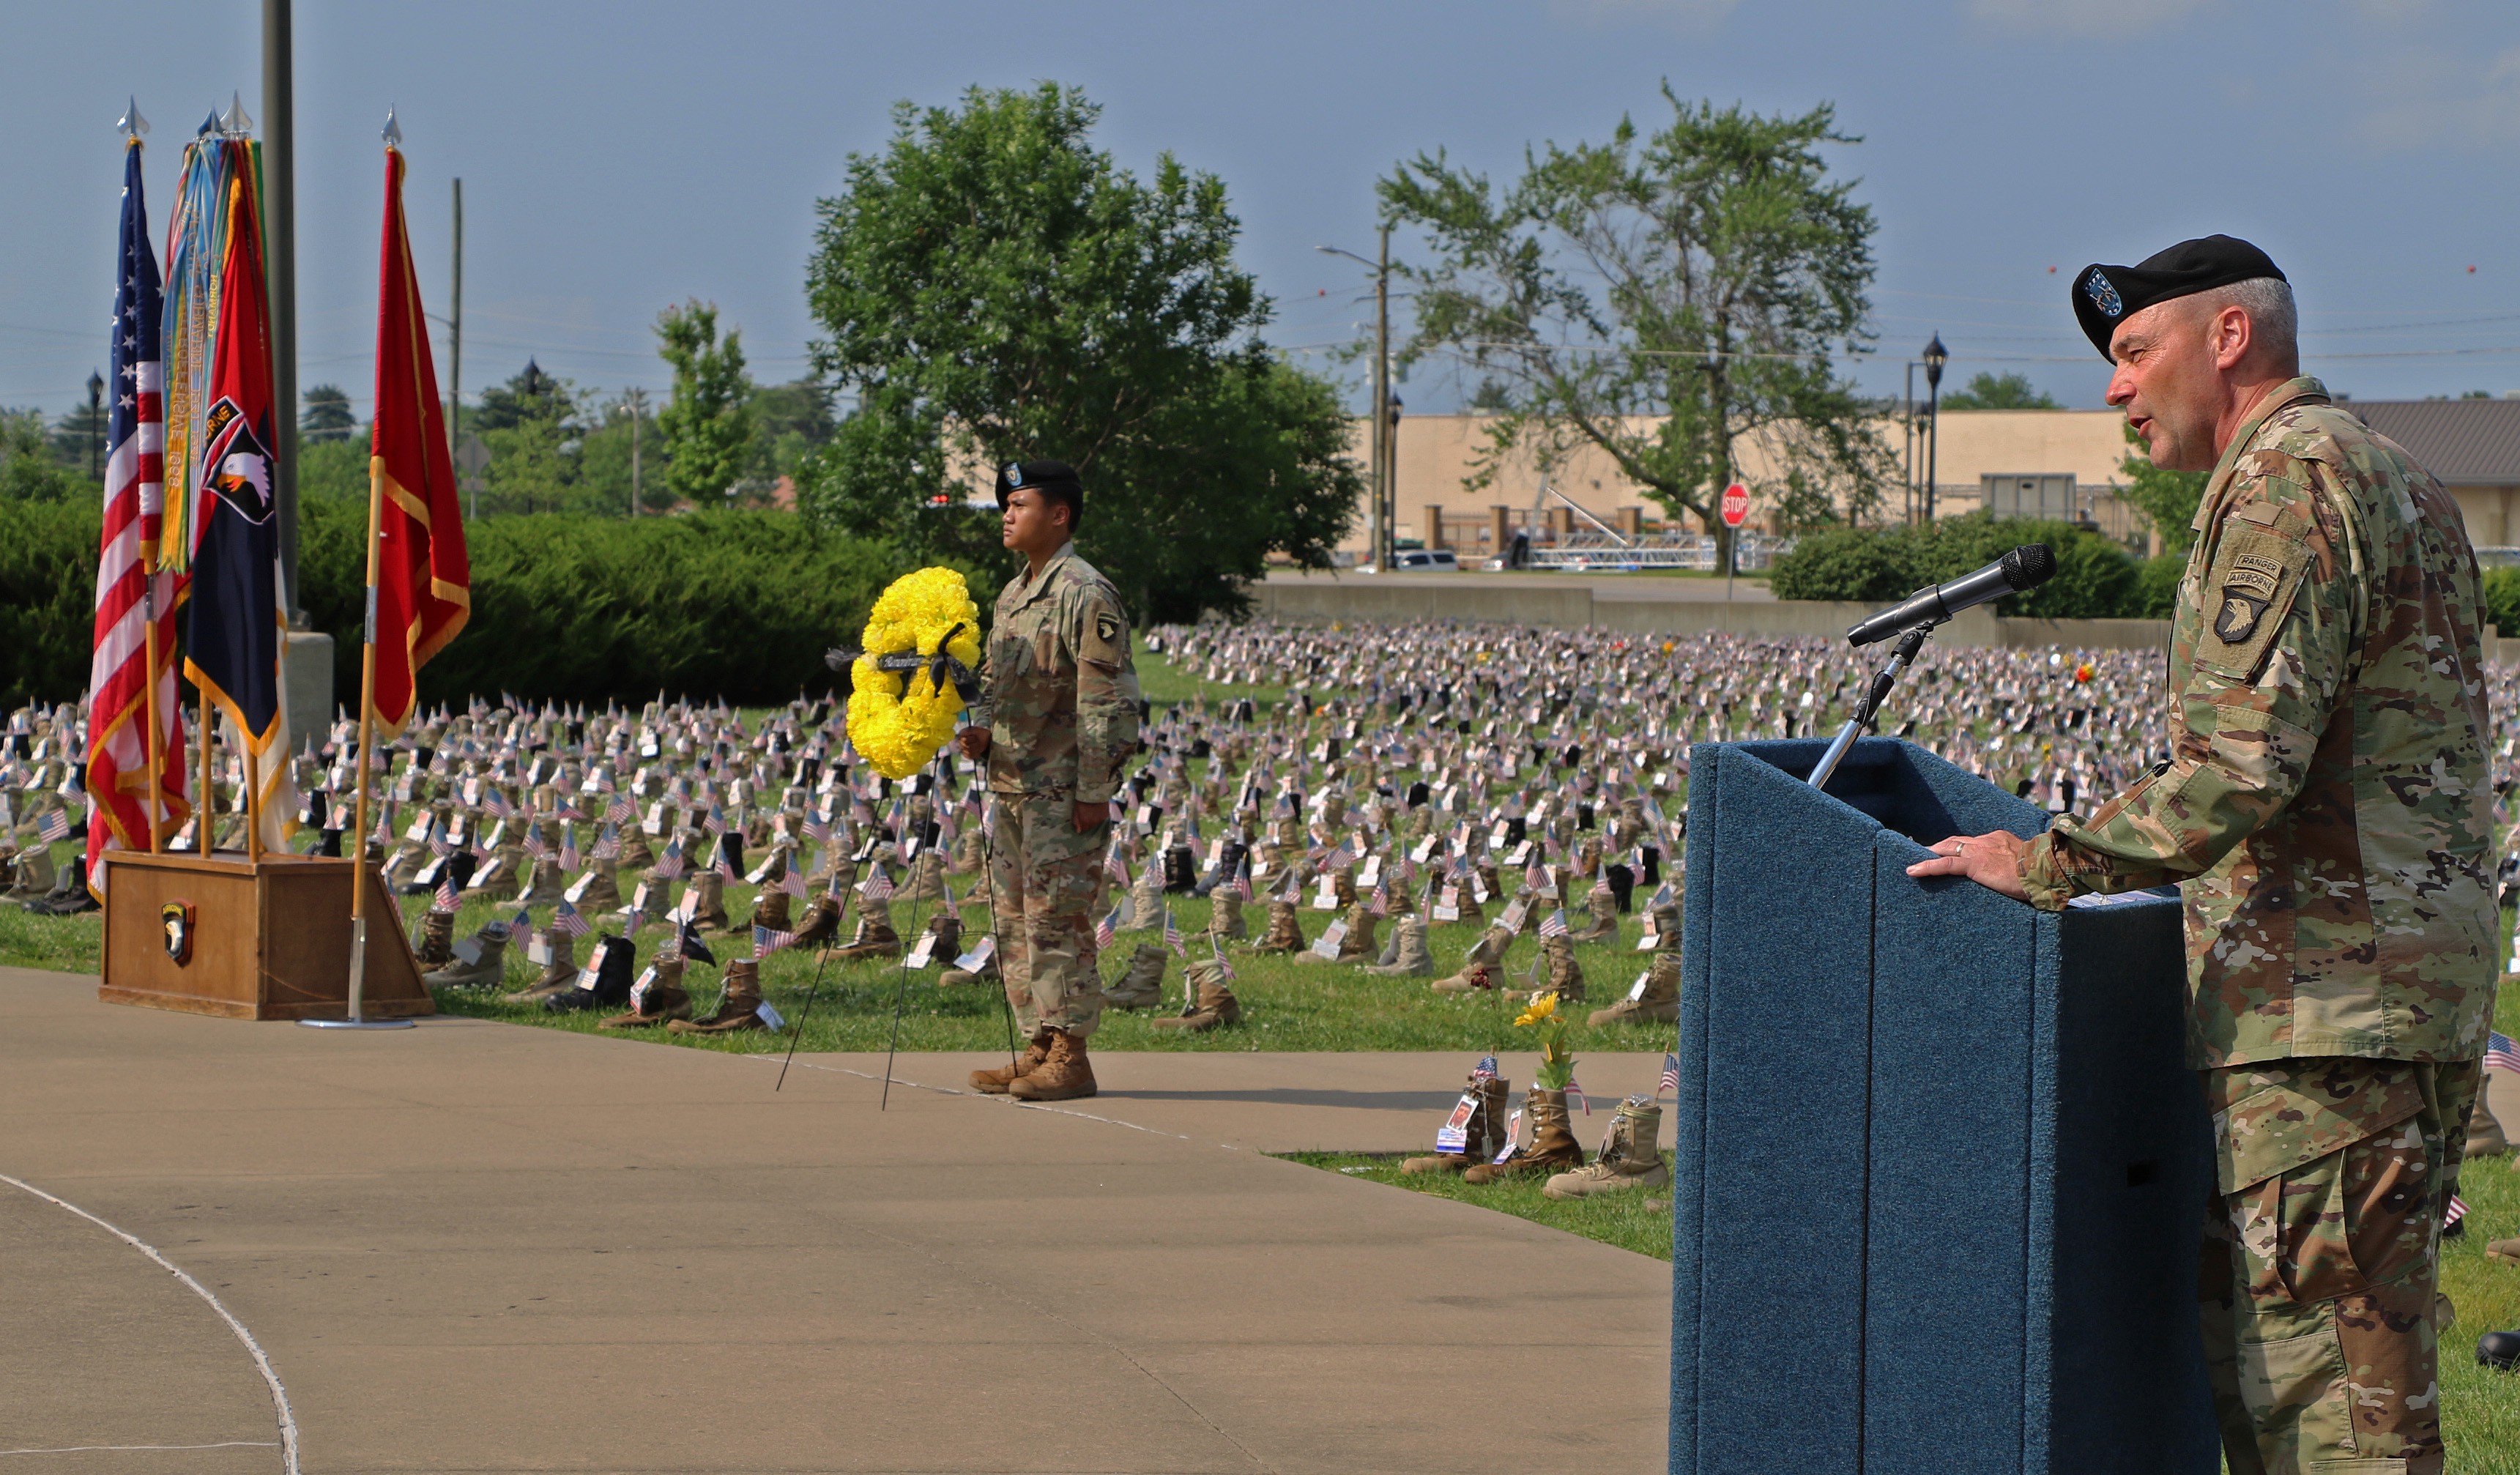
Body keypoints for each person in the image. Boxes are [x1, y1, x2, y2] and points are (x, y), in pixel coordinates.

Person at [1907, 235, 2497, 1475]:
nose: (2114, 389)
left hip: (2325, 1012)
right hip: (2384, 1001)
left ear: (2227, 338)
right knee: (2308, 1391)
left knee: (2338, 1416)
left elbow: (2239, 763)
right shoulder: (2394, 472)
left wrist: (2045, 859)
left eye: (2133, 352)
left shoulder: (2284, 484)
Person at [956, 460, 1141, 1103]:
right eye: (1004, 504)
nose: (1006, 514)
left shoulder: (1084, 593)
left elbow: (1106, 702)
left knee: (1058, 921)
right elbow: (994, 683)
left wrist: (1094, 790)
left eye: (1020, 503)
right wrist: (979, 730)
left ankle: (1070, 1054)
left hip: (1063, 789)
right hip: (1010, 784)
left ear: (1058, 514)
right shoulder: (1015, 592)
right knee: (1014, 922)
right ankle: (1036, 1042)